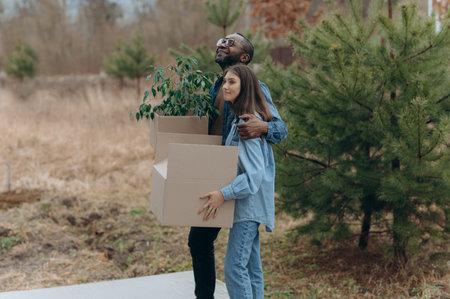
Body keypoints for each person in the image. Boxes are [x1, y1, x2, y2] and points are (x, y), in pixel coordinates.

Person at [188, 33, 287, 299]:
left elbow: (281, 129)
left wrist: (263, 126)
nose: (221, 44)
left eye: (230, 42)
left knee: (235, 264)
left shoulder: (255, 88)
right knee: (201, 242)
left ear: (244, 58)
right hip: (220, 179)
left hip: (240, 185)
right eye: (221, 40)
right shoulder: (216, 88)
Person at [199, 64, 275, 299]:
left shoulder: (247, 124)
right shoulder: (239, 120)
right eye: (224, 82)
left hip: (249, 207)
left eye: (232, 82)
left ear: (246, 86)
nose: (226, 86)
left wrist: (223, 194)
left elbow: (254, 176)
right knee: (251, 269)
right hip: (248, 206)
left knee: (234, 268)